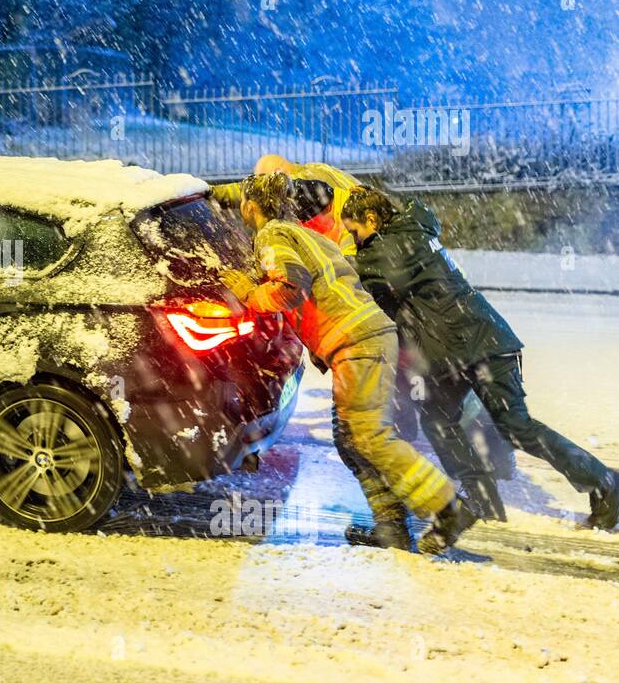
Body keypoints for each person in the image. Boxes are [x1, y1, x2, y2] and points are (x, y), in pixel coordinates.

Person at [218, 173, 478, 552]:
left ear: (249, 207)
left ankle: (447, 506)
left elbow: (291, 287)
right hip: (363, 337)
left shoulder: (272, 236)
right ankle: (391, 527)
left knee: (370, 436)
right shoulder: (305, 233)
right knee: (351, 439)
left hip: (357, 342)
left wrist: (247, 291)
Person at [341, 186, 619, 530]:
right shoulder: (411, 230)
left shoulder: (392, 248)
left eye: (355, 231)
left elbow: (366, 273)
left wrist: (338, 260)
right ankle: (482, 497)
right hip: (463, 347)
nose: (356, 240)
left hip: (480, 345)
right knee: (439, 418)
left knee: (515, 427)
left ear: (371, 219)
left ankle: (605, 481)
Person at [211, 153, 362, 254]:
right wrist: (210, 192)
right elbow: (251, 191)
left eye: (266, 181)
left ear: (277, 173)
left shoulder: (305, 191)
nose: (265, 191)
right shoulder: (310, 177)